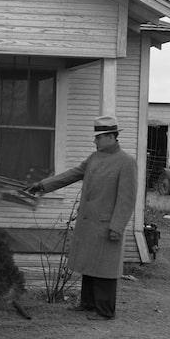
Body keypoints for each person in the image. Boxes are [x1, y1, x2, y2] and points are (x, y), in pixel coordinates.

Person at [26, 115, 137, 321]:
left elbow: (127, 199)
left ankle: (105, 311)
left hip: (107, 225)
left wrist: (117, 227)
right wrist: (43, 185)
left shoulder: (126, 162)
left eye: (98, 137)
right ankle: (87, 303)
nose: (94, 141)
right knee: (89, 264)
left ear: (111, 137)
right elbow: (72, 174)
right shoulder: (94, 158)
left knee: (105, 268)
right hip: (88, 223)